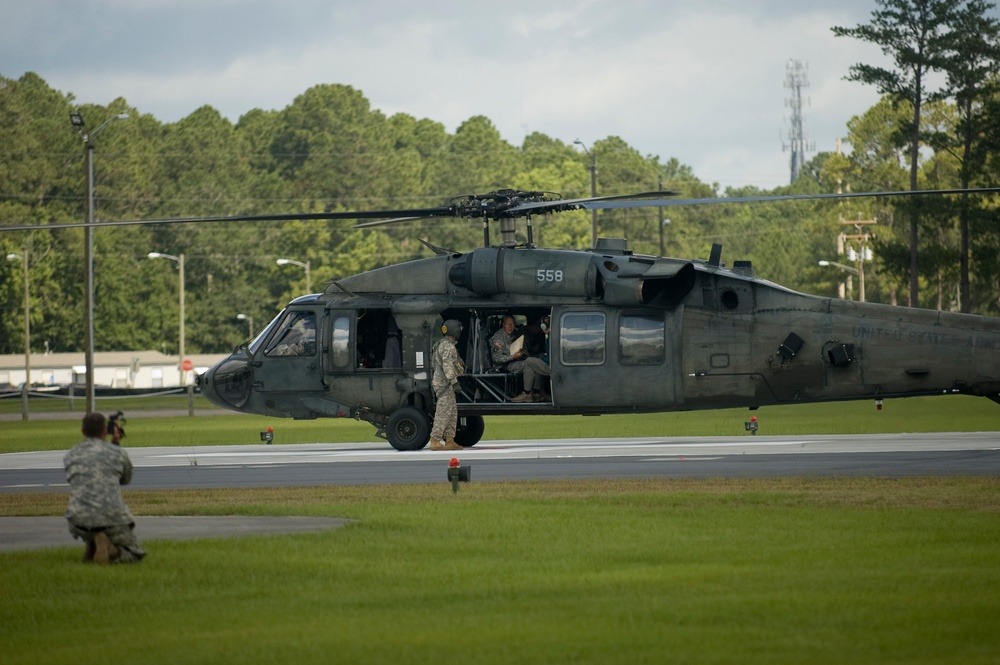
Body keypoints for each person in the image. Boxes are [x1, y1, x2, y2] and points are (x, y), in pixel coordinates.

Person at [64, 412, 146, 564]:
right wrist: (116, 442)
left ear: (83, 431)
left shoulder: (70, 455)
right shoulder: (117, 453)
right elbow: (125, 479)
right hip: (111, 518)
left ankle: (92, 542)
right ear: (105, 431)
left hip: (78, 519)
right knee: (133, 554)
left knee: (90, 517)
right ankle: (109, 547)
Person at [490, 314, 549, 402]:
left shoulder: (514, 335)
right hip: (504, 365)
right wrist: (512, 356)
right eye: (508, 324)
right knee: (529, 364)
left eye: (513, 324)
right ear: (503, 324)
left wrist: (522, 353)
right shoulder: (498, 338)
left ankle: (537, 393)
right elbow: (496, 358)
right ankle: (527, 393)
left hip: (515, 360)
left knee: (537, 360)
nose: (510, 327)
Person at [429, 319, 465, 451]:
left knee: (452, 412)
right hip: (445, 384)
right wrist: (454, 382)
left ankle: (450, 440)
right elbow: (448, 366)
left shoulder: (440, 344)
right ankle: (435, 440)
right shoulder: (448, 347)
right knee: (443, 412)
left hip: (443, 383)